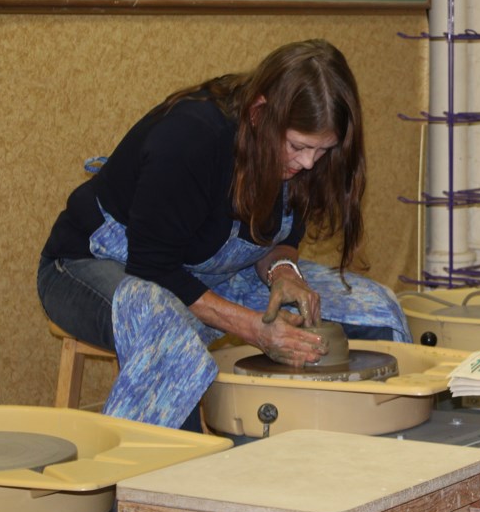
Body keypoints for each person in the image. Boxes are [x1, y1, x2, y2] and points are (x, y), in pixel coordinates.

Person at [37, 39, 411, 431]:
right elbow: (153, 267)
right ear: (260, 113)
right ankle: (165, 486)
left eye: (321, 151)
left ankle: (360, 463)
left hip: (210, 276)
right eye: (299, 147)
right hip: (92, 266)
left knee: (375, 309)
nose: (307, 163)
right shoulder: (190, 138)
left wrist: (283, 271)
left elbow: (283, 235)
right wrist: (254, 328)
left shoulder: (308, 156)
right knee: (164, 328)